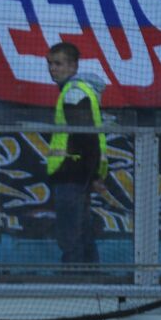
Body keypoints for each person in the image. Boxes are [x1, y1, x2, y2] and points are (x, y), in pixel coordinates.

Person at [44, 42, 107, 264]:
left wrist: (92, 176)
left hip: (72, 175)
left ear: (73, 66)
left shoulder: (74, 94)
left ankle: (74, 283)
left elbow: (86, 138)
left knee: (71, 236)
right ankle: (90, 281)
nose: (53, 68)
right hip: (78, 174)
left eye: (58, 64)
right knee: (83, 233)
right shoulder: (77, 91)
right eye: (50, 64)